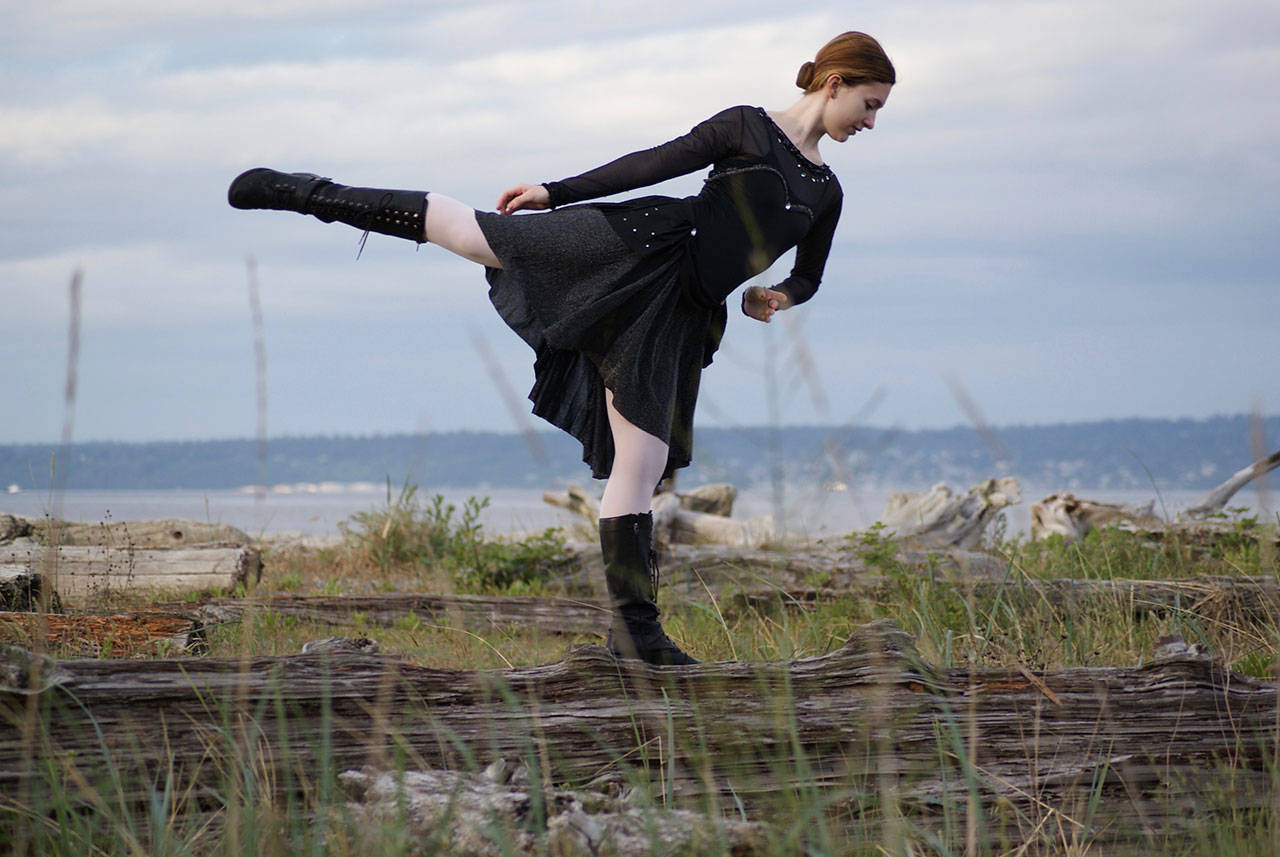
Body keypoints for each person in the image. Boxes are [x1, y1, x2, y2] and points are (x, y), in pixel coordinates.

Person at [228, 31, 895, 666]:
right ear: (835, 83)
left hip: (681, 313)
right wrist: (556, 192)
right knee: (474, 235)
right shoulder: (747, 126)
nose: (871, 123)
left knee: (643, 462)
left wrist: (778, 295)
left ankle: (634, 633)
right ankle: (308, 194)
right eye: (869, 105)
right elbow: (652, 163)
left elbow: (810, 273)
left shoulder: (826, 191)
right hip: (643, 245)